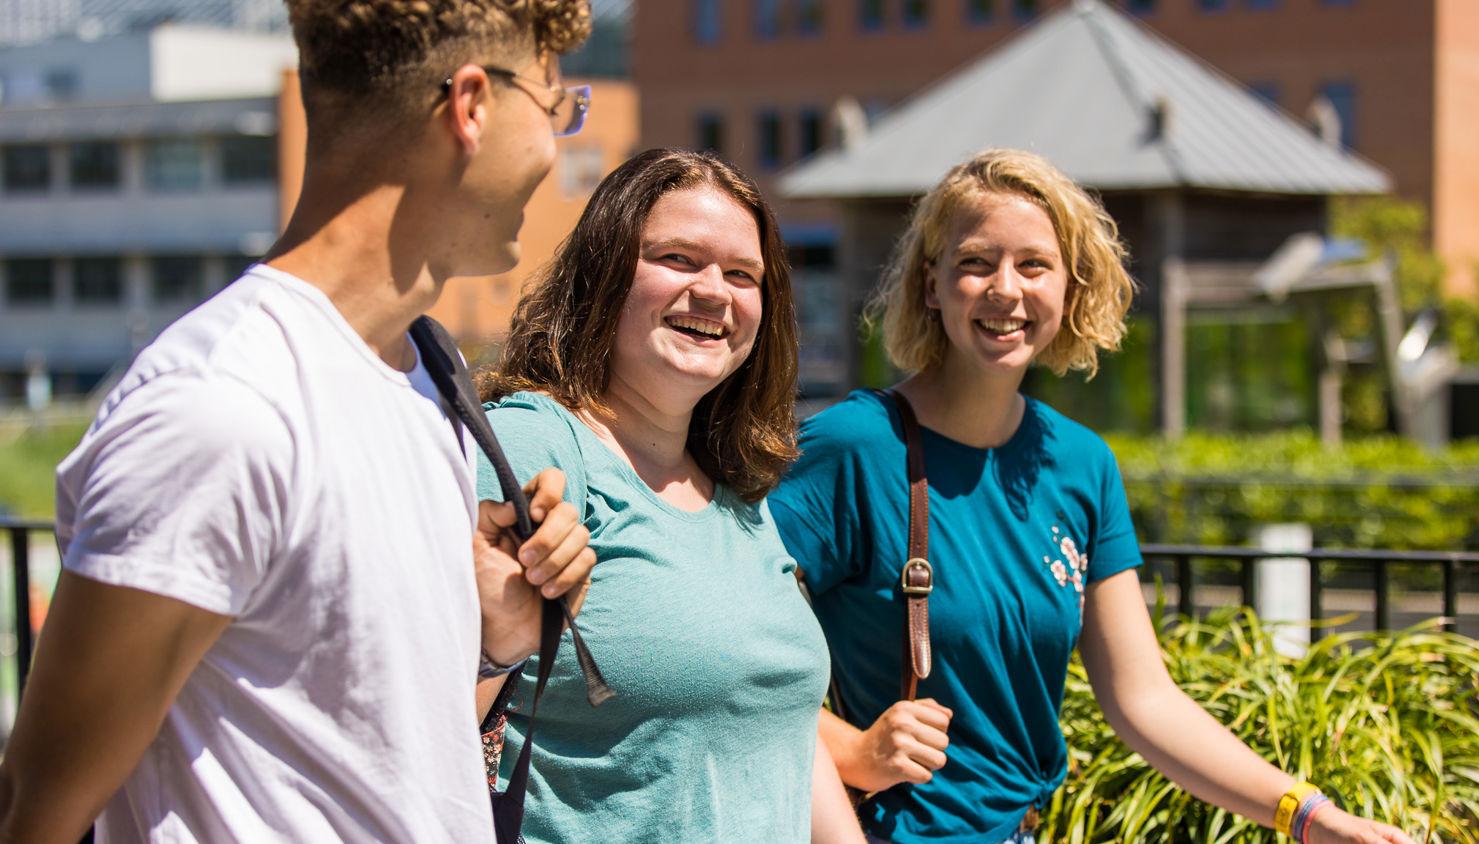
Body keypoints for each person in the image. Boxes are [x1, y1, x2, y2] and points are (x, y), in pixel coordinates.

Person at [0, 2, 598, 841]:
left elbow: (340, 737)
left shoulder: (421, 373)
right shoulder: (224, 405)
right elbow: (36, 809)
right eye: (555, 105)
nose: (557, 144)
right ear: (470, 106)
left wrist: (490, 639)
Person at [768, 148, 1418, 844]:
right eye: (977, 262)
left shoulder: (1082, 465)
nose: (1006, 289)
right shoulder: (854, 447)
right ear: (932, 285)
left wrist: (1311, 817)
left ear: (1070, 290)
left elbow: (1144, 700)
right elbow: (725, 651)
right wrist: (854, 750)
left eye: (1034, 265)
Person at [474, 147, 864, 843]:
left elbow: (783, 732)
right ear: (602, 273)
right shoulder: (536, 446)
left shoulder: (737, 493)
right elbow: (418, 713)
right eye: (678, 259)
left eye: (742, 274)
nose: (714, 291)